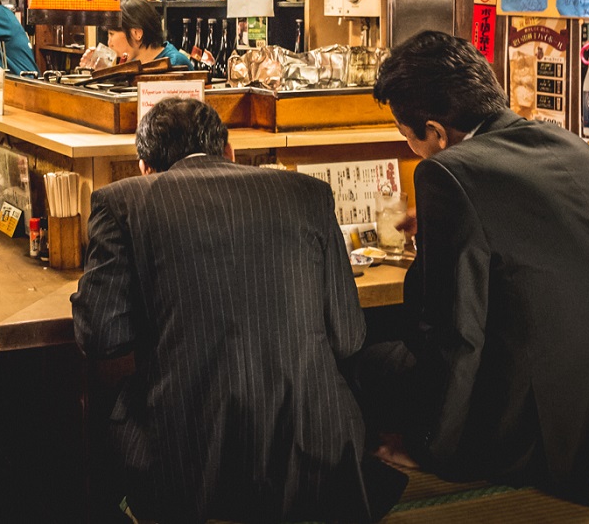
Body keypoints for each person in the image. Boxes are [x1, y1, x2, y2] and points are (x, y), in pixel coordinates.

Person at [72, 98, 406, 524]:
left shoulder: (120, 202)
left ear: (144, 167)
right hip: (315, 447)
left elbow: (99, 335)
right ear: (229, 151)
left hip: (186, 457)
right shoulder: (309, 193)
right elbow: (348, 336)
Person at [361, 30, 589, 504]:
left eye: (410, 138)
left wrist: (430, 447)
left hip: (520, 437)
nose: (415, 150)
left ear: (438, 133)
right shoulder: (571, 146)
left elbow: (455, 334)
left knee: (362, 360)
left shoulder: (446, 173)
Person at [103, 0, 191, 67]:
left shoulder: (174, 64)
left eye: (111, 34)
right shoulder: (134, 63)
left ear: (137, 33)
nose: (109, 43)